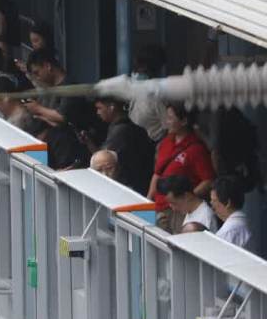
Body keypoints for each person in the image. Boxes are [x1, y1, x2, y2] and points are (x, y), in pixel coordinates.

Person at [149, 103, 216, 233]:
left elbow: (208, 180)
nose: (166, 122)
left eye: (170, 118)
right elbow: (157, 173)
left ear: (184, 121)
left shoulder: (196, 148)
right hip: (160, 207)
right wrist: (149, 199)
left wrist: (185, 199)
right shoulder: (166, 142)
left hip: (179, 210)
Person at [96, 96, 155, 196]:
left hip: (131, 188)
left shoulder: (121, 131)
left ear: (112, 107)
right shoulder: (122, 127)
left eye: (99, 108)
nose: (98, 112)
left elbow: (102, 159)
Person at [210, 175, 252, 249]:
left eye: (214, 201)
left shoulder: (229, 231)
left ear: (227, 203)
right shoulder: (245, 222)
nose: (212, 206)